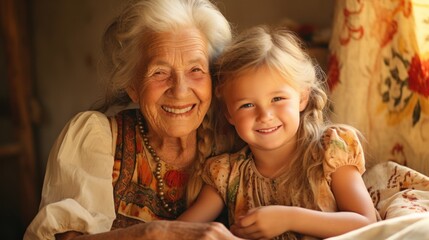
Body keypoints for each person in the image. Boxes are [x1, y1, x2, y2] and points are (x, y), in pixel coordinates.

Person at [24, 0, 240, 239]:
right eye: (160, 72)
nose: (180, 91)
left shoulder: (238, 141)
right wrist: (150, 233)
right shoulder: (97, 140)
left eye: (196, 70)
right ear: (133, 86)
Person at [178, 25, 378, 239]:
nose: (265, 115)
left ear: (302, 98)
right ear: (229, 114)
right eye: (246, 105)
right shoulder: (226, 175)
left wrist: (288, 218)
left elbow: (366, 223)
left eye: (277, 99)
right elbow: (177, 231)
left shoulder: (330, 151)